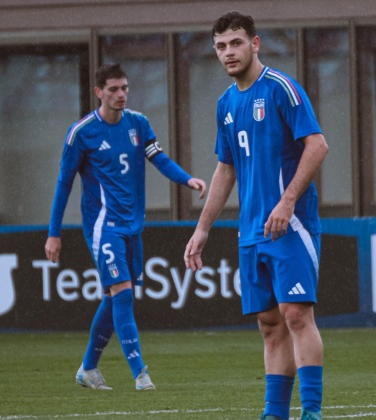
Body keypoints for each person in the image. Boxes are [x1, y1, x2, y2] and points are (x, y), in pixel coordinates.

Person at [184, 11, 329, 420]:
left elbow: (317, 145)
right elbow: (225, 169)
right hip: (251, 230)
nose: (228, 53)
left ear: (255, 43)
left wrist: (286, 202)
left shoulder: (282, 88)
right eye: (220, 46)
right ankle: (274, 413)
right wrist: (203, 228)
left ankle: (312, 413)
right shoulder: (225, 103)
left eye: (235, 43)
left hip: (290, 224)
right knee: (269, 324)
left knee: (297, 314)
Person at [45, 63, 207, 391]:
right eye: (114, 89)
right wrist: (53, 232)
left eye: (125, 88)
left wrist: (186, 179)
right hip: (104, 227)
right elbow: (64, 184)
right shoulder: (82, 132)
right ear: (99, 92)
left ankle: (88, 369)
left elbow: (159, 158)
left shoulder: (138, 124)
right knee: (123, 294)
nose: (121, 95)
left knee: (114, 296)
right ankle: (140, 373)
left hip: (133, 225)